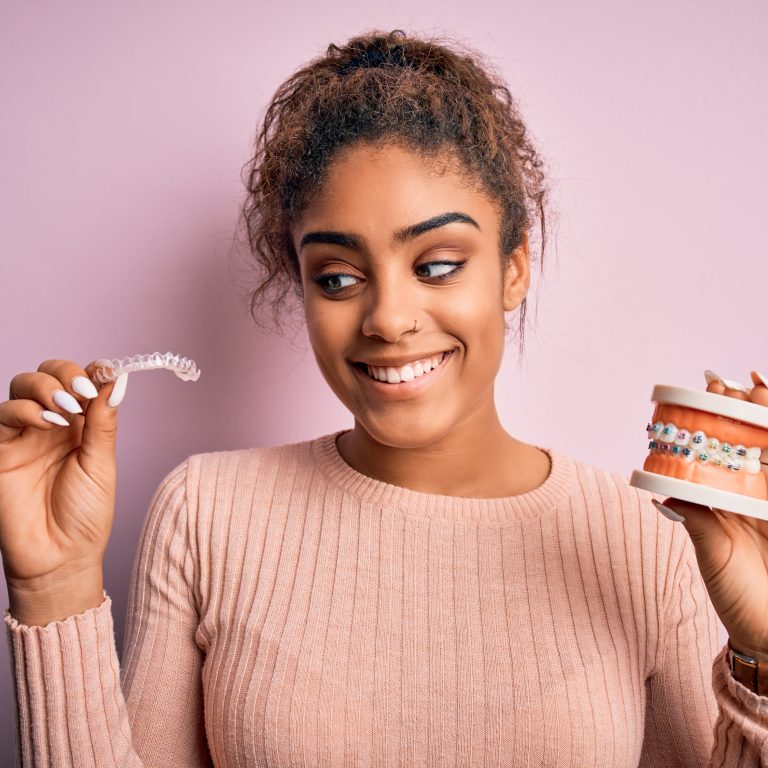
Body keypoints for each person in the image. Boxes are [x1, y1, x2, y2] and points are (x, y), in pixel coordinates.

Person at [1, 28, 767, 767]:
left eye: (436, 265)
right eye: (338, 276)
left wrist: (763, 657)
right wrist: (52, 585)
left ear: (513, 268)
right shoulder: (205, 514)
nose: (389, 319)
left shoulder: (649, 540)